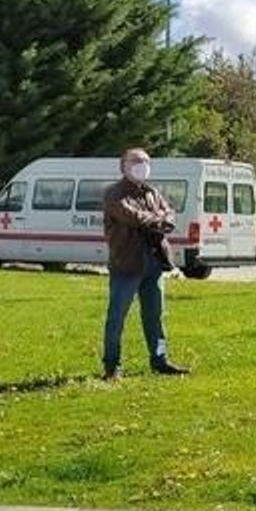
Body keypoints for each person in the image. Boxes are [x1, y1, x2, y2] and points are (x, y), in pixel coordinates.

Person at [101, 147, 188, 381]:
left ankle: (160, 360)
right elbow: (132, 217)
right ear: (124, 166)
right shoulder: (114, 194)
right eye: (136, 161)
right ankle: (112, 365)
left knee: (155, 315)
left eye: (146, 161)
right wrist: (157, 219)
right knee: (117, 317)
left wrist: (160, 219)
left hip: (154, 263)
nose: (142, 165)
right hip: (126, 264)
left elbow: (170, 215)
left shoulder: (152, 192)